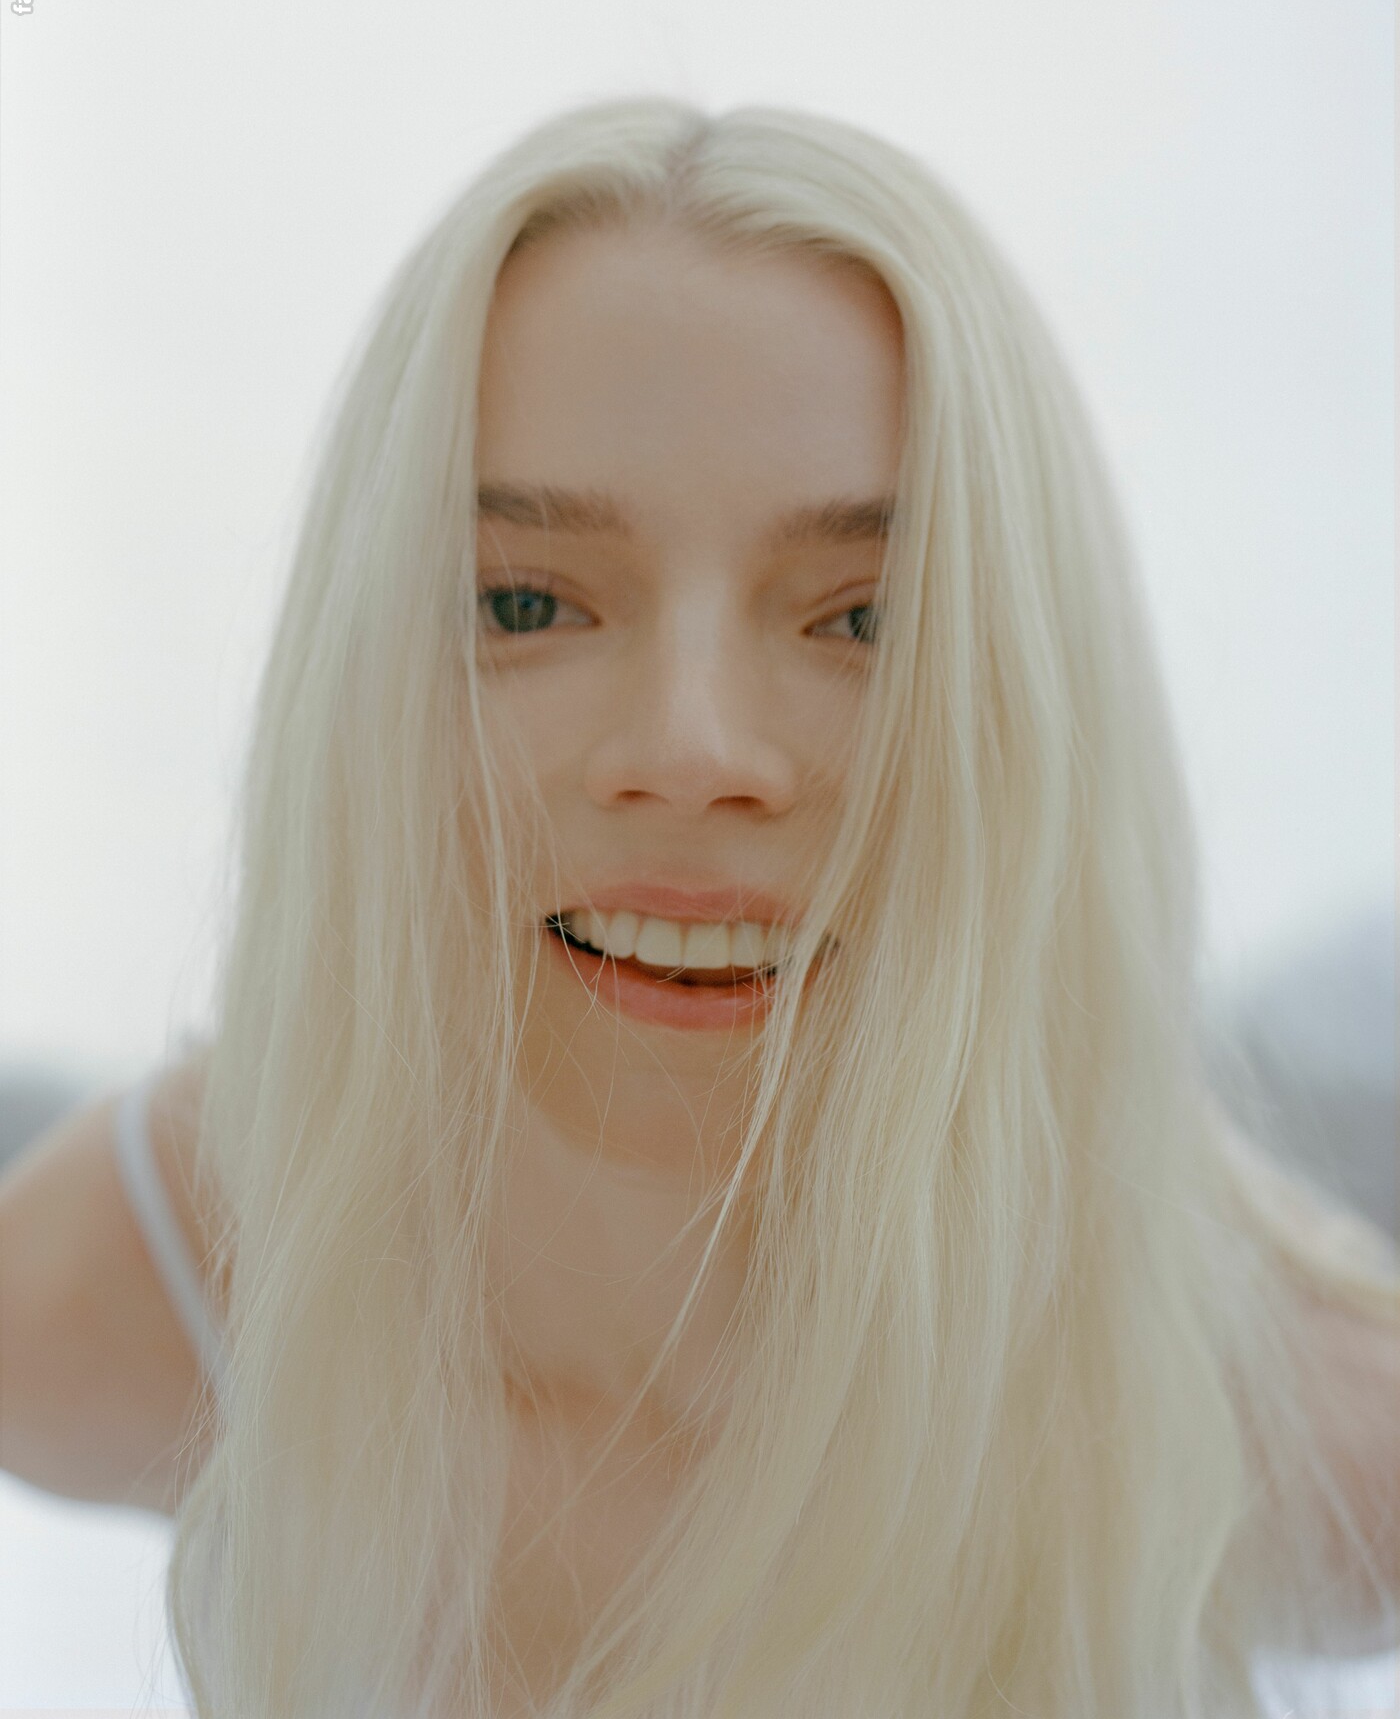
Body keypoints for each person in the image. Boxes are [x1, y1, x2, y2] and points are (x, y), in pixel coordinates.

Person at [5, 96, 1399, 1717]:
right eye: (527, 601)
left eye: (864, 621)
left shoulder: (1295, 1438)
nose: (690, 750)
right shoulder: (154, 1268)